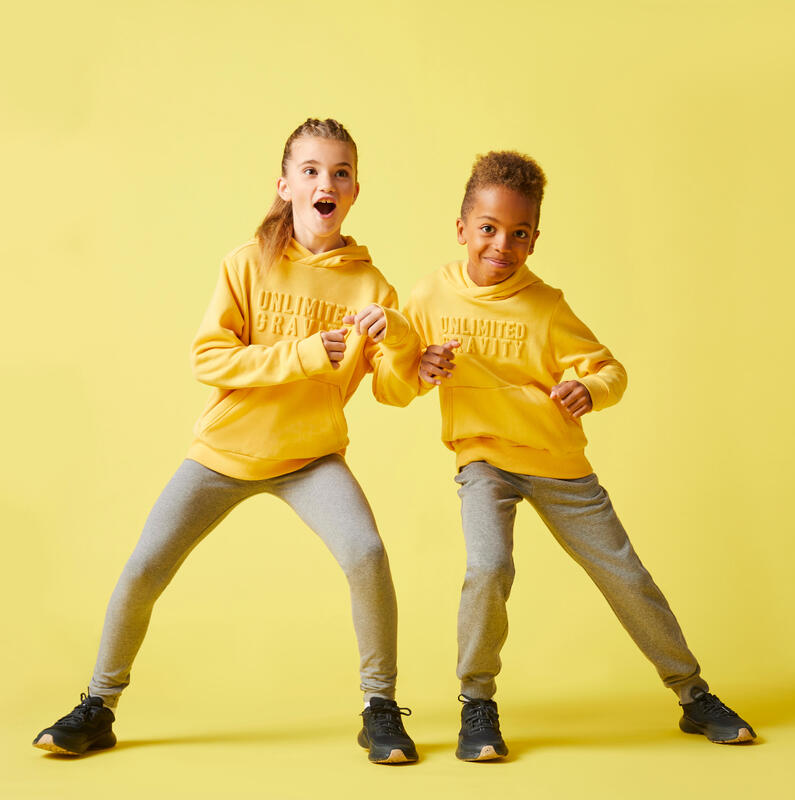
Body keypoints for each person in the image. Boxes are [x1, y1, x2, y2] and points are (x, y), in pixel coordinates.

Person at [33, 118, 419, 764]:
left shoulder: (371, 287)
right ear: (286, 185)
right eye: (312, 170)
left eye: (341, 173)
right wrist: (299, 356)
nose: (327, 182)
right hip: (223, 453)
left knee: (367, 553)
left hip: (310, 457)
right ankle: (99, 705)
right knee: (144, 567)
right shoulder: (246, 263)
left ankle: (380, 708)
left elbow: (393, 390)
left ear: (354, 192)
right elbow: (208, 359)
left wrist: (401, 337)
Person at [402, 150, 755, 760]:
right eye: (487, 229)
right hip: (483, 456)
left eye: (518, 234)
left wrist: (587, 388)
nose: (500, 245)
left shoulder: (546, 304)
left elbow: (610, 369)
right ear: (462, 228)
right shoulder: (430, 294)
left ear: (535, 239)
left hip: (558, 461)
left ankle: (693, 695)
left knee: (626, 578)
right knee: (488, 568)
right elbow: (391, 379)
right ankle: (477, 705)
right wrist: (419, 369)